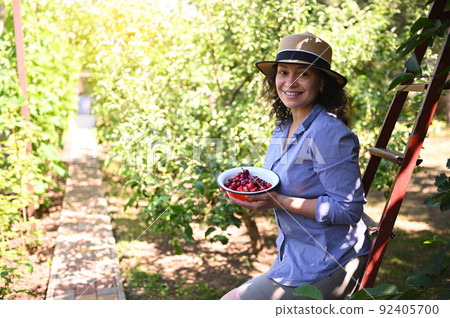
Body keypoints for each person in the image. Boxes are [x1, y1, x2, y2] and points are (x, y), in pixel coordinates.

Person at [220, 33, 372, 300]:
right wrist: (252, 190)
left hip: (331, 261)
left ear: (322, 82)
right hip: (294, 257)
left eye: (303, 74)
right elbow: (283, 178)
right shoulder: (283, 127)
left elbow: (349, 209)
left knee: (229, 305)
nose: (290, 82)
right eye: (283, 72)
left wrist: (277, 200)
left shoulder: (329, 133)